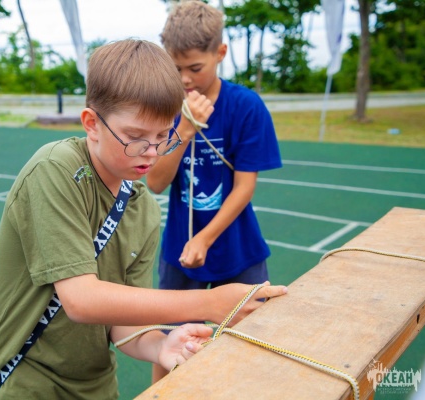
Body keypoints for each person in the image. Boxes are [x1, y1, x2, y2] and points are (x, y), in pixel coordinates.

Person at [0, 39, 287, 400]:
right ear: (92, 124)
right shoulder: (55, 170)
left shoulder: (143, 208)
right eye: (135, 137)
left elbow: (123, 325)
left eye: (163, 136)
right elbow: (81, 300)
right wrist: (209, 303)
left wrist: (160, 346)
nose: (151, 153)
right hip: (22, 383)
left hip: (96, 387)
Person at [146, 0, 283, 383]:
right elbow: (155, 182)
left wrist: (205, 238)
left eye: (194, 68)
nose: (184, 79)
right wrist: (184, 129)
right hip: (180, 247)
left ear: (220, 53)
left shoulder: (245, 106)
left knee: (251, 338)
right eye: (175, 68)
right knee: (171, 340)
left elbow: (244, 186)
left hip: (238, 247)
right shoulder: (167, 107)